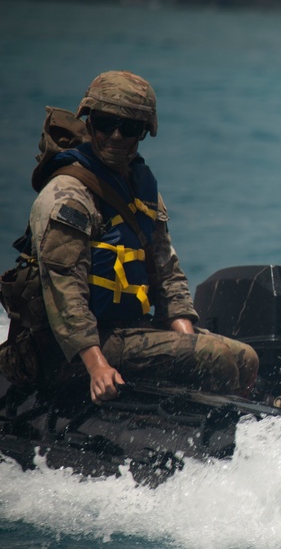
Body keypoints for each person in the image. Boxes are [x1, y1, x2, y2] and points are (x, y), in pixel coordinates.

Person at [27, 70, 258, 404]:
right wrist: (96, 367)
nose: (116, 136)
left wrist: (186, 344)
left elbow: (167, 274)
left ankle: (238, 424)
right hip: (76, 349)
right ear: (90, 123)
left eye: (129, 127)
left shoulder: (140, 190)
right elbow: (65, 298)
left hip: (130, 331)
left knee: (245, 357)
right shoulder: (68, 197)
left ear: (143, 133)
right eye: (107, 124)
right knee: (215, 357)